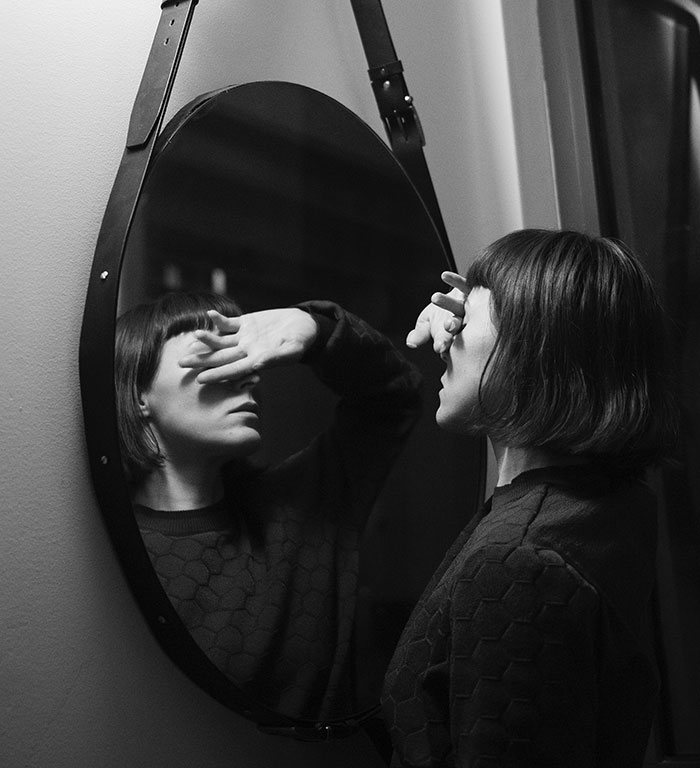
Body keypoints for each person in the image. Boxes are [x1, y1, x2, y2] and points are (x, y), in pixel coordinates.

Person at [381, 229, 677, 767]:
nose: (443, 340)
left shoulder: (518, 565)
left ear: (531, 349)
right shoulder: (602, 506)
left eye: (464, 323)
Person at [115, 292, 422, 721]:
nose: (248, 376)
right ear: (140, 393)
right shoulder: (104, 551)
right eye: (214, 353)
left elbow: (393, 397)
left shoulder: (300, 512)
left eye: (244, 355)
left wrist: (314, 329)